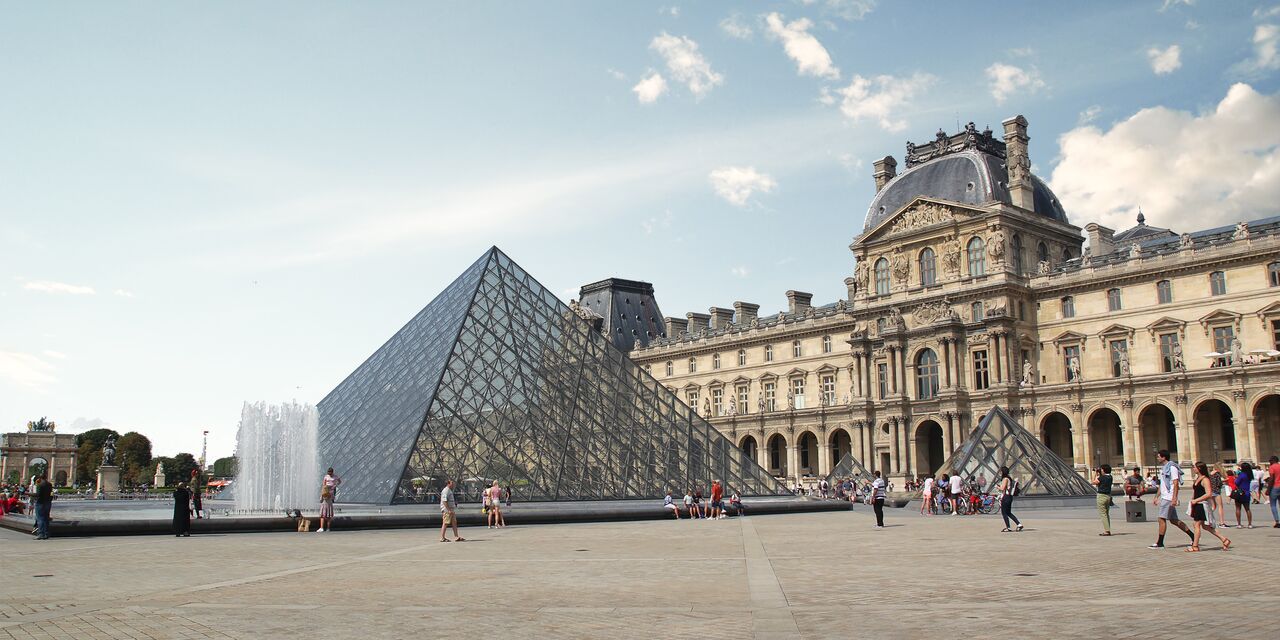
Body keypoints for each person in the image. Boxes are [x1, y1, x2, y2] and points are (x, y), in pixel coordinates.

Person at [1149, 449, 1194, 549]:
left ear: (1164, 457)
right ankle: (1193, 536)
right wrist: (1156, 496)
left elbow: (1175, 483)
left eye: (1159, 456)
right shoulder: (1164, 468)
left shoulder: (1172, 468)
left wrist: (1174, 498)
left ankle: (1160, 543)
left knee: (1161, 519)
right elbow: (1163, 484)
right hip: (1166, 496)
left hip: (1169, 497)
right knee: (1174, 520)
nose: (1157, 458)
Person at [1187, 462, 1231, 552]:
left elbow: (1209, 494)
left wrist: (1196, 500)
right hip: (1197, 504)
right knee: (1206, 526)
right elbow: (1197, 491)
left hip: (1201, 504)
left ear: (1199, 468)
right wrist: (1193, 499)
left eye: (1194, 467)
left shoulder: (1205, 480)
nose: (1193, 469)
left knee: (1196, 525)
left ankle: (1195, 546)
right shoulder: (1198, 478)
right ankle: (1224, 540)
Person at [997, 466, 1023, 532]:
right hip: (1009, 497)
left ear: (1003, 472)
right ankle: (1019, 524)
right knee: (1008, 512)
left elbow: (1002, 488)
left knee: (1004, 513)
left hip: (1005, 497)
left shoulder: (1005, 479)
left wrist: (997, 487)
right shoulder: (1009, 478)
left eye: (1000, 471)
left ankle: (1008, 527)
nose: (1000, 473)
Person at [1092, 464, 1113, 536]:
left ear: (1103, 470)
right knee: (1106, 514)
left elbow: (1093, 482)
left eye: (1101, 469)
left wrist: (1095, 474)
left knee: (1103, 514)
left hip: (1101, 496)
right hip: (1108, 496)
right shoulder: (1110, 477)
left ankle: (1107, 531)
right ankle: (1108, 529)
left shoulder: (1102, 478)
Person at [1233, 462, 1254, 529]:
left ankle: (1239, 524)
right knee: (1247, 509)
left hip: (1240, 492)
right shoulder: (1249, 475)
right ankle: (1250, 524)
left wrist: (1236, 477)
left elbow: (1236, 482)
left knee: (1238, 508)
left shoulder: (1242, 474)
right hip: (1247, 492)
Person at [32, 475, 52, 540]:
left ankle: (41, 534)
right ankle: (46, 534)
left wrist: (27, 493)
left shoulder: (40, 485)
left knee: (40, 518)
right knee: (46, 518)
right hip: (48, 502)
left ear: (40, 478)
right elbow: (51, 493)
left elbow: (37, 494)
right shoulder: (49, 484)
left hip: (40, 503)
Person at [1210, 463, 1228, 527]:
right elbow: (1219, 483)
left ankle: (1208, 519)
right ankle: (1222, 522)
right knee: (1220, 506)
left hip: (1211, 491)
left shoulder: (1211, 473)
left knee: (1213, 507)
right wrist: (1223, 482)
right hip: (1216, 491)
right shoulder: (1217, 473)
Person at [1267, 455, 1280, 528]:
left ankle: (1277, 521)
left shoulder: (1272, 467)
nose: (1269, 462)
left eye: (1270, 461)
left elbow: (1272, 479)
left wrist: (1268, 490)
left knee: (1273, 505)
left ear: (1273, 460)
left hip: (1275, 487)